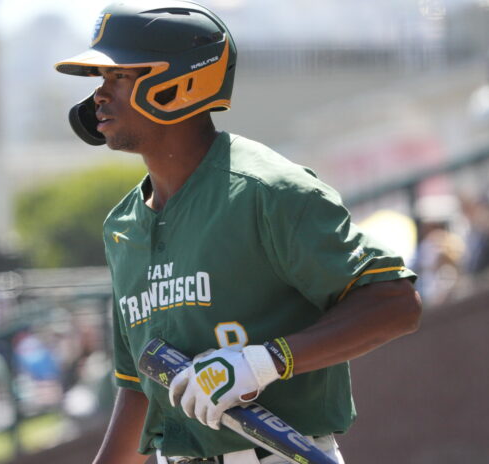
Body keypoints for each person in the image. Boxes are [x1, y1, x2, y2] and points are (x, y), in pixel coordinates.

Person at [54, 2, 422, 463]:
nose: (99, 96)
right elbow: (138, 391)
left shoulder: (269, 190)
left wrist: (265, 361)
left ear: (182, 82)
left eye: (120, 76)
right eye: (99, 80)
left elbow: (395, 303)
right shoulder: (122, 227)